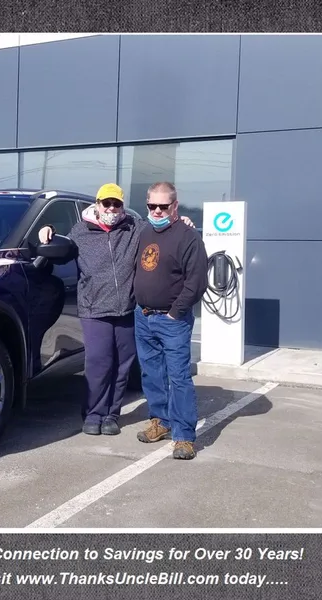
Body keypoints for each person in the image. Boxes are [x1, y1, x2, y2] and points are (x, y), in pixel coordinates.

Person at [38, 184, 141, 435]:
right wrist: (48, 230)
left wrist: (180, 220)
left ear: (122, 206)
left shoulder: (134, 228)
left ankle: (111, 415)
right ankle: (93, 413)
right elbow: (61, 249)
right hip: (94, 309)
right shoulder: (81, 230)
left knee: (122, 365)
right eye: (106, 203)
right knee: (98, 363)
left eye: (116, 204)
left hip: (126, 309)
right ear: (97, 204)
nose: (111, 209)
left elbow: (161, 231)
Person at [133, 181, 208, 460]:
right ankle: (161, 422)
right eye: (152, 206)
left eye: (163, 206)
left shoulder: (188, 237)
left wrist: (175, 312)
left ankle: (184, 436)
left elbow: (197, 281)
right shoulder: (143, 232)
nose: (157, 211)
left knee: (178, 378)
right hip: (143, 317)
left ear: (175, 206)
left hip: (172, 321)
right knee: (151, 374)